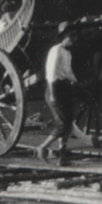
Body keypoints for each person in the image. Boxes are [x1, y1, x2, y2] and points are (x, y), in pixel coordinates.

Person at [36, 22, 78, 163]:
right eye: (71, 35)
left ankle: (62, 154)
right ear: (63, 36)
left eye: (74, 35)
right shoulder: (56, 50)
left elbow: (69, 72)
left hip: (64, 87)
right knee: (62, 123)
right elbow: (51, 73)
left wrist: (77, 82)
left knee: (69, 120)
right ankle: (42, 147)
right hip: (54, 88)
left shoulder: (68, 52)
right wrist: (53, 94)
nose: (73, 38)